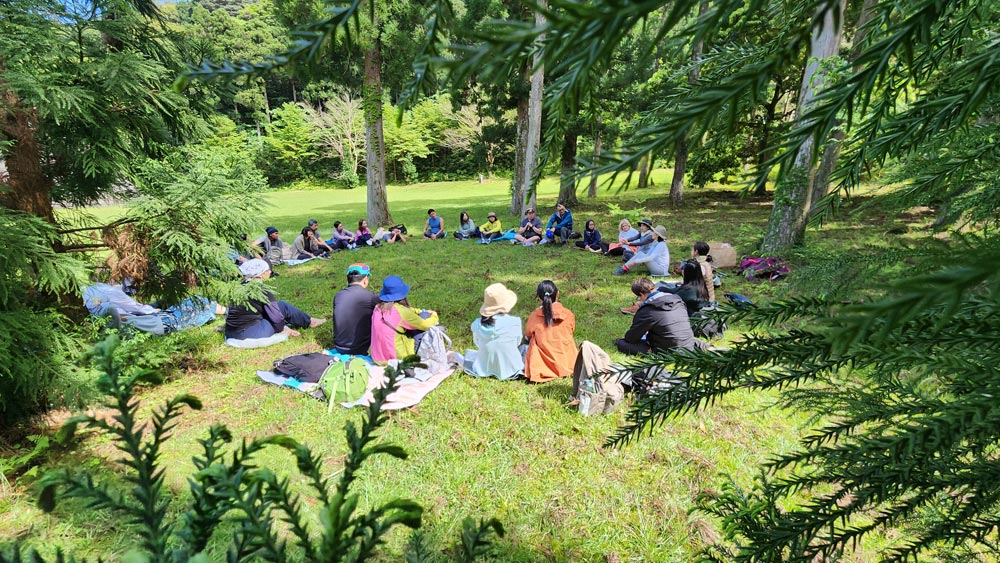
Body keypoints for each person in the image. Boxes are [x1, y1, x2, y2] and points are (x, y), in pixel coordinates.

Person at [224, 259, 326, 340]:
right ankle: (310, 322)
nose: (269, 272)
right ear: (260, 274)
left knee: (278, 306)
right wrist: (282, 329)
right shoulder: (261, 289)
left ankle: (308, 320)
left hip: (230, 332)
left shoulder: (238, 287)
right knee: (282, 306)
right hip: (250, 333)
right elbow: (276, 317)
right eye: (267, 270)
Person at [615, 277, 704, 355]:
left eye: (639, 297)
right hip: (687, 343)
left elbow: (631, 338)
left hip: (666, 349)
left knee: (621, 343)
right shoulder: (678, 300)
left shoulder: (648, 310)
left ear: (641, 294)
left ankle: (650, 352)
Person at [370, 275, 439, 363]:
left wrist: (419, 310)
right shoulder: (402, 312)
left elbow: (405, 311)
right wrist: (434, 315)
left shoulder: (377, 308)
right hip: (396, 360)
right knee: (424, 316)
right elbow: (425, 325)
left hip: (377, 359)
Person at [466, 283, 523, 380]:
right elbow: (517, 342)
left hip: (483, 368)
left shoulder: (476, 324)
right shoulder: (515, 322)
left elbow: (477, 343)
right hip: (512, 369)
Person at [524, 280, 577, 383]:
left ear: (539, 298)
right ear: (558, 294)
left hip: (542, 367)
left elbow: (528, 334)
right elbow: (571, 330)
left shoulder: (534, 316)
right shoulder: (568, 314)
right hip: (568, 363)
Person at [332, 263, 380, 355]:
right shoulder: (371, 297)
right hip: (360, 349)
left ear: (347, 279)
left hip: (339, 347)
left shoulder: (338, 295)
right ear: (365, 280)